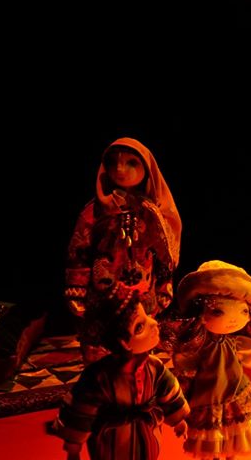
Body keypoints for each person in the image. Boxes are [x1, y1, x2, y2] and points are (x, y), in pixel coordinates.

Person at [55, 287, 189, 460]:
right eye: (141, 326)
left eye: (148, 317)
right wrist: (73, 446)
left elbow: (168, 392)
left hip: (147, 434)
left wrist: (178, 419)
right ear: (123, 342)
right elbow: (80, 411)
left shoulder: (154, 367)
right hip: (115, 441)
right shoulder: (99, 377)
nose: (154, 324)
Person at [65, 137, 183, 362]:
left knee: (140, 344)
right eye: (113, 163)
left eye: (131, 163)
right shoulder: (95, 211)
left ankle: (137, 379)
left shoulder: (152, 213)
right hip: (106, 295)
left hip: (143, 292)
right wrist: (76, 287)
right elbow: (79, 250)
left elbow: (164, 253)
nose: (120, 169)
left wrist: (165, 284)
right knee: (102, 352)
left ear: (147, 169)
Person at [166, 261, 251, 460]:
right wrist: (181, 394)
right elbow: (185, 370)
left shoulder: (237, 343)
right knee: (209, 440)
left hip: (235, 396)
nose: (234, 320)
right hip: (208, 399)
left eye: (244, 312)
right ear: (199, 313)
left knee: (233, 436)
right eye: (218, 311)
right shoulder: (196, 347)